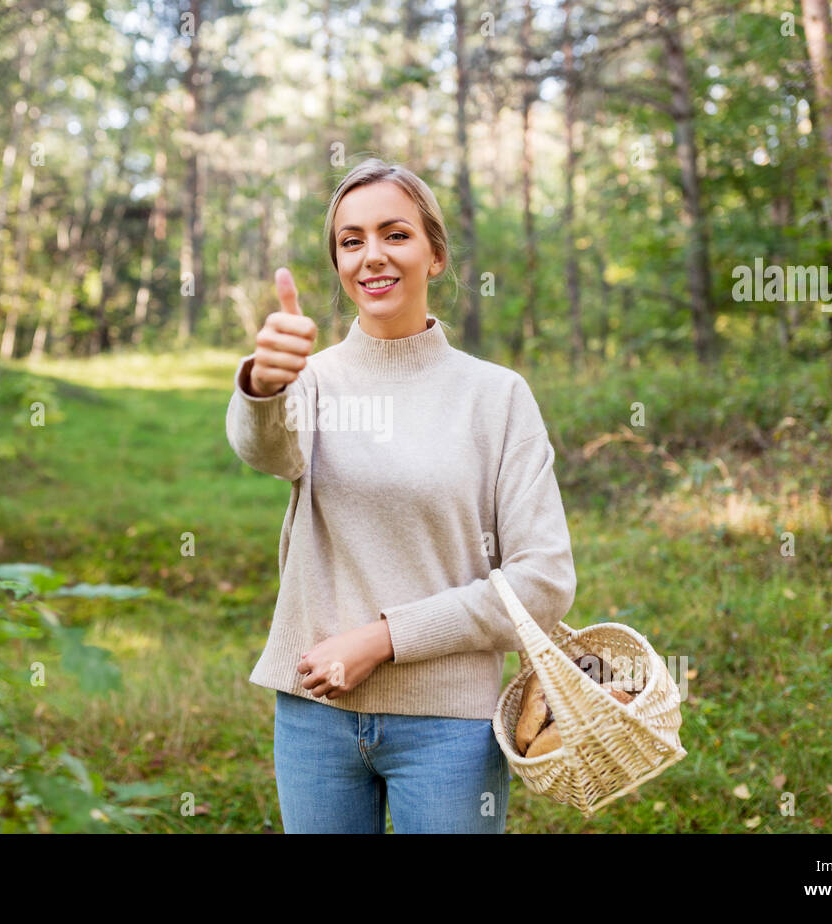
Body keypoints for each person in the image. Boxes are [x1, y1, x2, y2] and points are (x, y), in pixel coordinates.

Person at [225, 157, 576, 833]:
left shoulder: (496, 397)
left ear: (436, 254)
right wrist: (264, 385)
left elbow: (543, 583)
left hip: (451, 727)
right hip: (314, 718)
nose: (372, 256)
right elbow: (267, 450)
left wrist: (384, 639)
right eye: (351, 241)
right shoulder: (312, 381)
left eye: (395, 234)